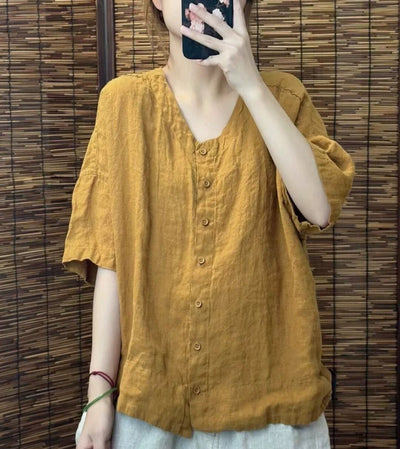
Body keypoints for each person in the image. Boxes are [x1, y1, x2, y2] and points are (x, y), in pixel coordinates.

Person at [62, 0, 356, 447]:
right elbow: (110, 257)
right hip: (152, 406)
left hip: (275, 410)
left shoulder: (285, 97)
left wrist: (251, 84)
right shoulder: (123, 104)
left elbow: (318, 208)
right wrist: (99, 391)